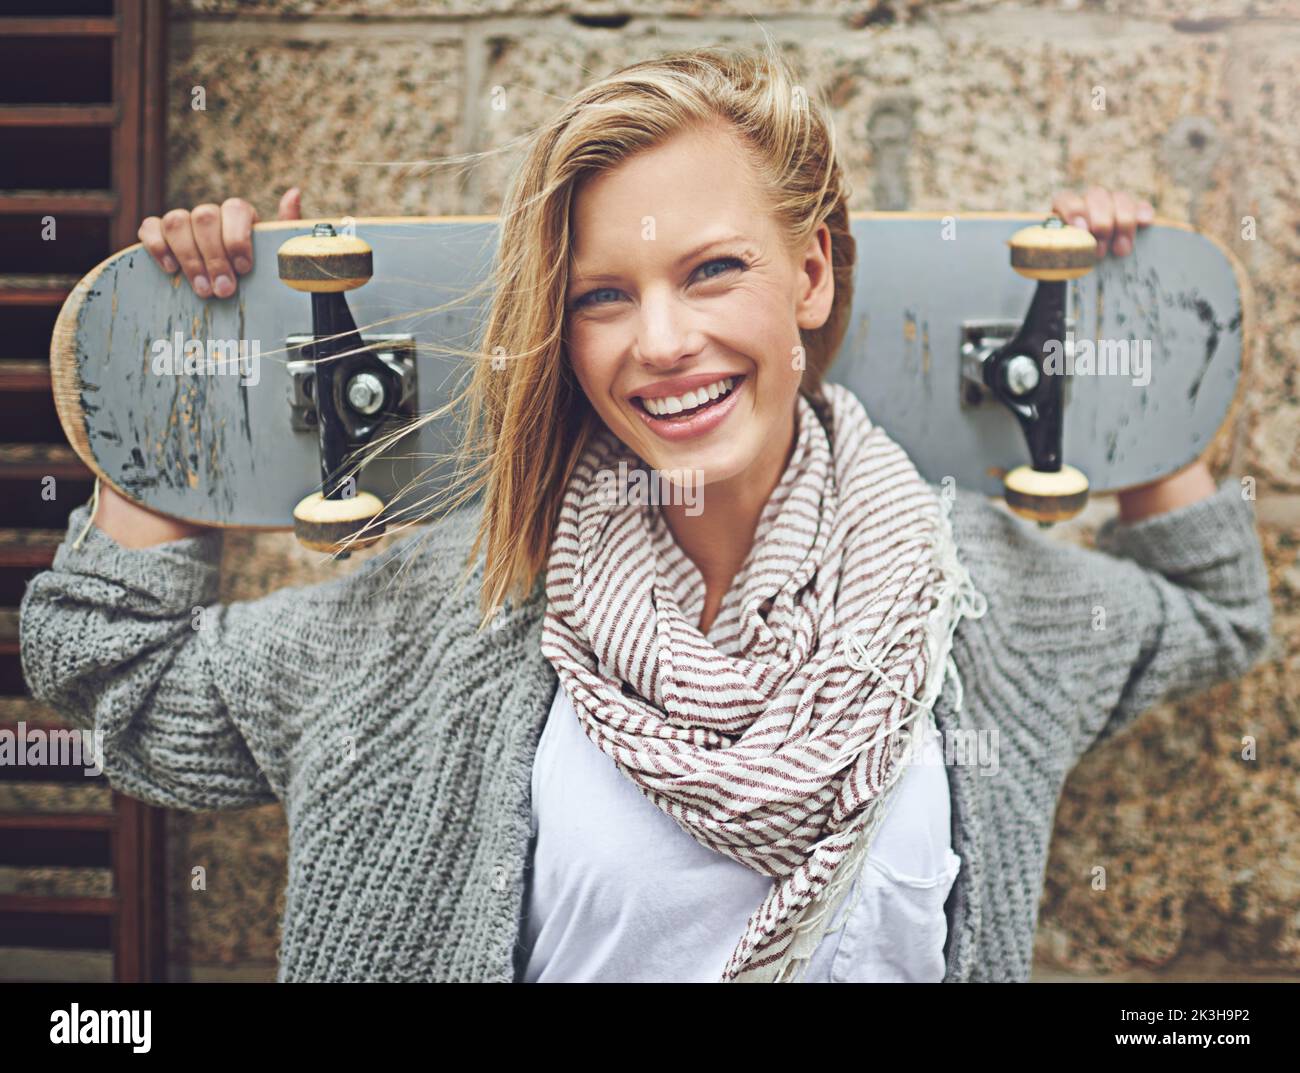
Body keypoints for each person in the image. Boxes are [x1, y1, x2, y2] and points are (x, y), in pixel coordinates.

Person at [20, 40, 1272, 983]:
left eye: (713, 269)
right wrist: (185, 384)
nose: (662, 343)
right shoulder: (454, 615)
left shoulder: (980, 599)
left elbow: (1210, 606)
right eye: (599, 295)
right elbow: (117, 673)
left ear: (813, 271)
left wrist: (1130, 351)